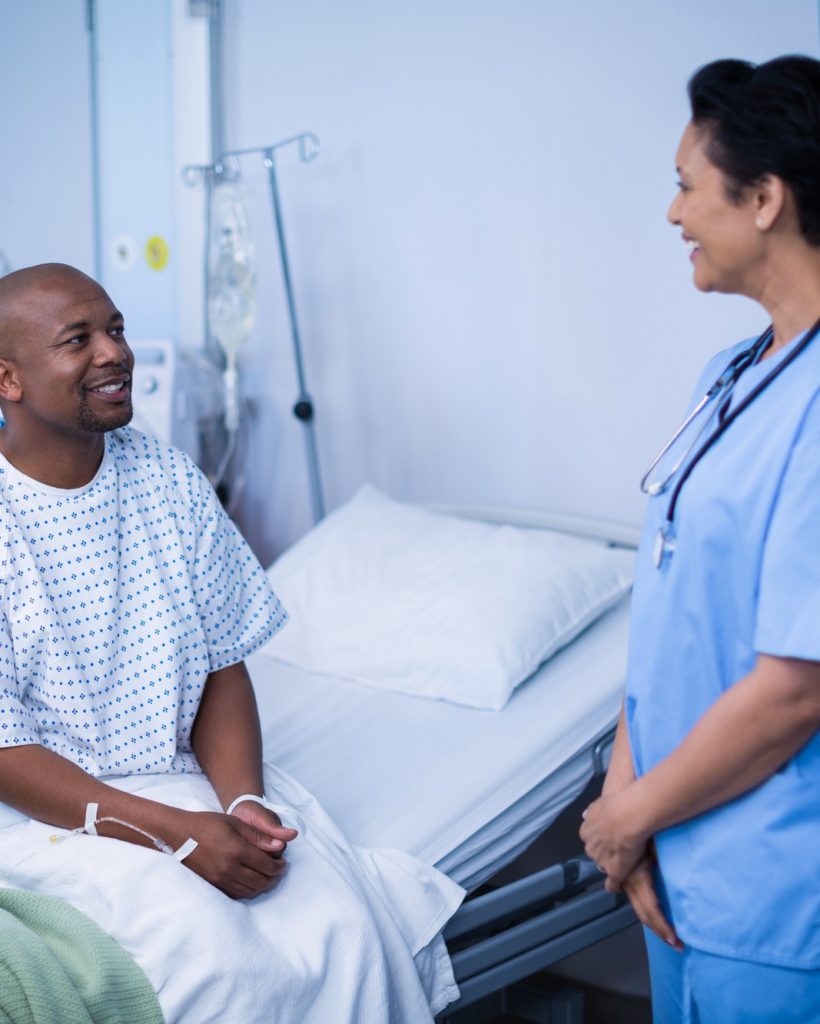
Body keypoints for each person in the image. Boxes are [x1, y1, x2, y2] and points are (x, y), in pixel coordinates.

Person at [0, 263, 461, 1021]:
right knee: (210, 953)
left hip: (177, 784)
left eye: (114, 329)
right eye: (77, 340)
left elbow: (221, 665)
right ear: (8, 380)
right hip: (43, 818)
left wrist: (242, 799)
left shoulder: (169, 482)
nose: (114, 353)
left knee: (340, 924)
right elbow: (8, 755)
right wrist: (176, 836)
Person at [580, 55, 820, 1023]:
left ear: (763, 198)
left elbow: (796, 684)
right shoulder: (729, 376)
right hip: (675, 851)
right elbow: (671, 613)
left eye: (687, 185)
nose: (673, 213)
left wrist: (627, 816)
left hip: (774, 887)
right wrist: (631, 813)